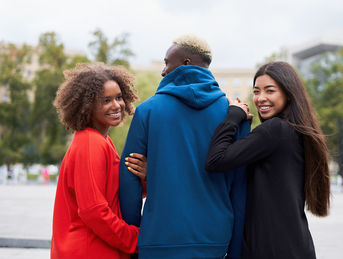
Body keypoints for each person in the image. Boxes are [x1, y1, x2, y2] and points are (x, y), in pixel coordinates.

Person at [119, 35, 250, 259]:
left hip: (157, 239)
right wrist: (236, 250)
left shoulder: (147, 111)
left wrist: (132, 241)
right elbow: (239, 185)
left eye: (167, 62)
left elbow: (128, 178)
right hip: (214, 240)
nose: (163, 71)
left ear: (186, 62)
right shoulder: (234, 114)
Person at [206, 61, 331, 259]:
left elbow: (215, 161)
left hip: (272, 247)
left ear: (288, 94)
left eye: (269, 91)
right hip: (292, 244)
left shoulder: (275, 130)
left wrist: (233, 116)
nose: (260, 98)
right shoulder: (295, 130)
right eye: (256, 91)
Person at [51, 63, 146, 259]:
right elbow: (93, 211)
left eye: (119, 97)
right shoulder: (90, 142)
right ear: (86, 106)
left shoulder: (102, 140)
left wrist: (146, 177)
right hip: (90, 250)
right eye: (106, 100)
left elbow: (115, 194)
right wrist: (136, 239)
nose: (117, 105)